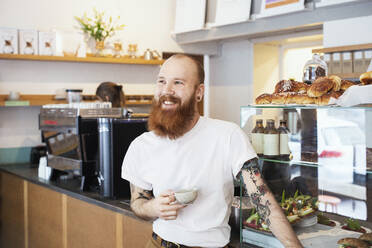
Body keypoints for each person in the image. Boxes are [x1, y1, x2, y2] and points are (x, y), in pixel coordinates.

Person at [121, 54, 303, 248]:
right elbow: (137, 202)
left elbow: (262, 200)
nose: (167, 90)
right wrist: (153, 207)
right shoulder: (142, 145)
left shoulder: (227, 135)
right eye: (161, 81)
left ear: (199, 92)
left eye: (178, 82)